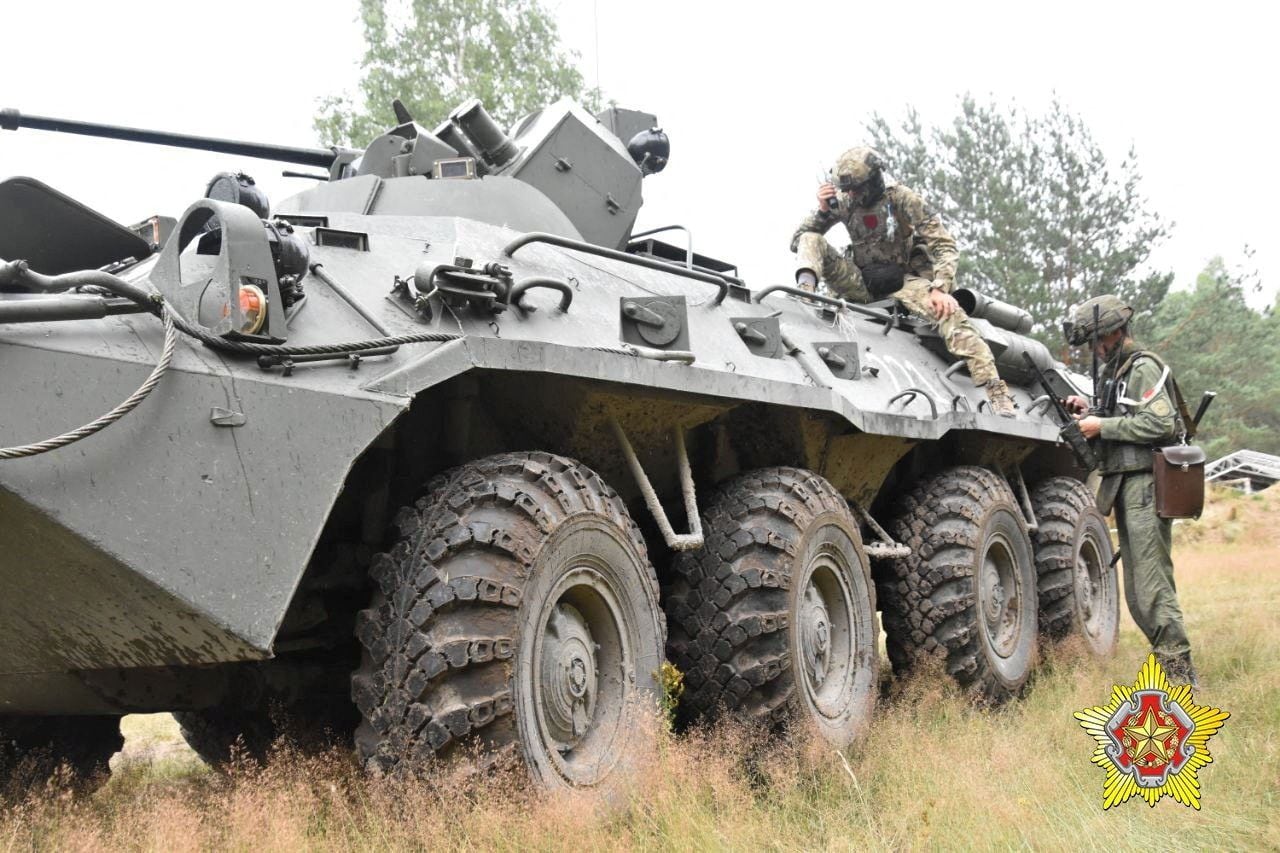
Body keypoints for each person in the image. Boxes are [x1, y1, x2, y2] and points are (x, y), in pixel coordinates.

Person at [790, 147, 1015, 417]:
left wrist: (940, 288)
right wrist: (824, 211)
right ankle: (805, 296)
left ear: (873, 181)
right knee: (811, 239)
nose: (850, 195)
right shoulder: (844, 202)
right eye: (846, 190)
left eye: (856, 189)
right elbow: (798, 242)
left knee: (950, 312)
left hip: (904, 282)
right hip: (860, 281)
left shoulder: (901, 198)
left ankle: (996, 391)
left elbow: (944, 245)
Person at [1064, 294, 1197, 686]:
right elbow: (1125, 414)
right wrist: (1089, 413)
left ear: (1113, 333)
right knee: (1139, 591)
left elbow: (1161, 425)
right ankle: (1172, 666)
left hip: (1145, 485)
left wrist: (1101, 428)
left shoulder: (1141, 367)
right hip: (1127, 486)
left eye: (1097, 342)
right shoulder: (1119, 370)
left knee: (1151, 586)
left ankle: (1181, 676)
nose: (1095, 350)